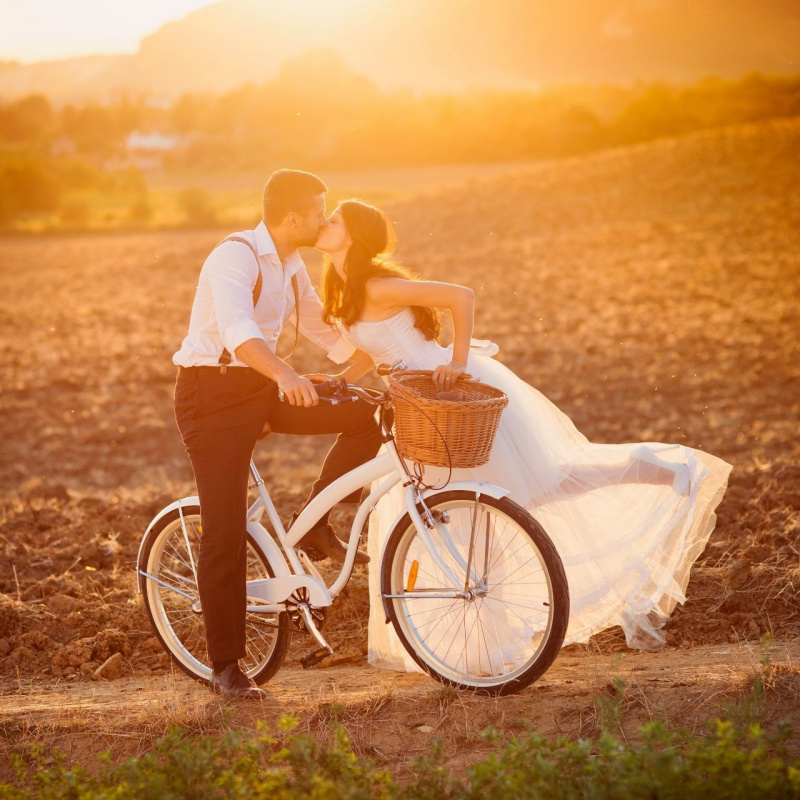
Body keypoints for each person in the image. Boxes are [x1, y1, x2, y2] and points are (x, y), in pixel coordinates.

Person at [313, 199, 733, 671]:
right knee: (462, 515)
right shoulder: (344, 285)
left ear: (354, 235)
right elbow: (377, 348)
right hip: (415, 407)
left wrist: (454, 361)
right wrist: (342, 379)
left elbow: (461, 295)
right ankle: (477, 644)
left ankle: (660, 471)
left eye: (332, 221)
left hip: (445, 393)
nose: (322, 225)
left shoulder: (377, 283)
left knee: (527, 492)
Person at [172, 171, 378, 699]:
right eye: (317, 211)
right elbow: (239, 332)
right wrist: (285, 375)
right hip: (212, 397)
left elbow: (317, 323)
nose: (322, 220)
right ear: (292, 218)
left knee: (367, 416)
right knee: (225, 529)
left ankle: (313, 523)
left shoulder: (290, 263)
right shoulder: (233, 257)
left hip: (260, 386)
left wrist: (368, 359)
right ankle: (225, 666)